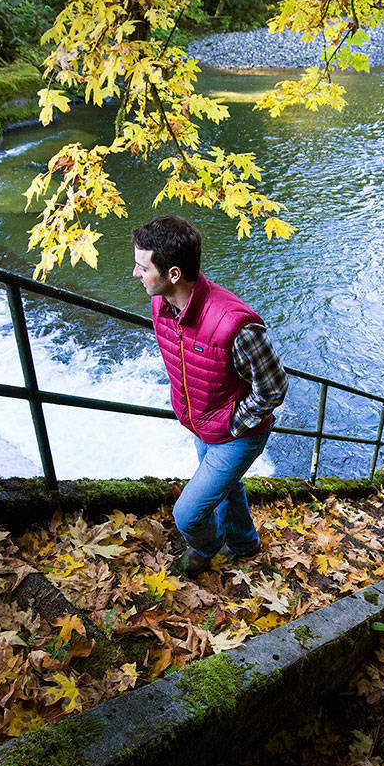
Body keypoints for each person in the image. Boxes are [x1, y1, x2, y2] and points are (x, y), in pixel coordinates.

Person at [132, 215, 287, 578]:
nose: (135, 274)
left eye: (142, 267)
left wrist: (231, 424)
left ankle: (207, 546)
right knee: (228, 488)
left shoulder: (236, 325)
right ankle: (245, 545)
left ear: (172, 274)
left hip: (236, 434)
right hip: (202, 424)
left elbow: (274, 387)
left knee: (187, 514)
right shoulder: (162, 304)